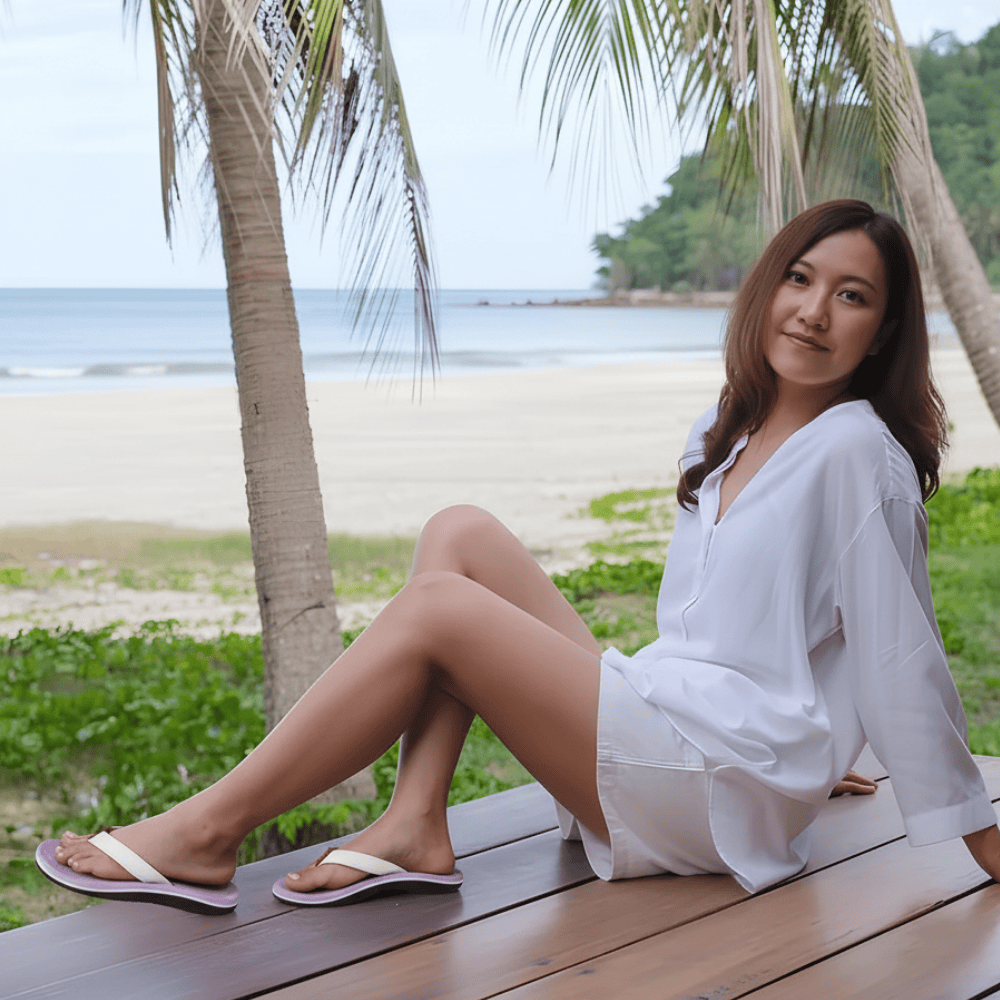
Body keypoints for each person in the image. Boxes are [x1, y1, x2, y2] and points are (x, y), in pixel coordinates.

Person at [40, 199, 1000, 912]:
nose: (815, 310)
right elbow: (798, 631)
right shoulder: (728, 427)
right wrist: (835, 744)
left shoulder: (859, 450)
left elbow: (894, 650)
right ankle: (417, 821)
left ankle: (207, 833)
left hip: (714, 786)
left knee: (440, 615)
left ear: (883, 333)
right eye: (801, 278)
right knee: (461, 534)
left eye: (853, 296)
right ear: (768, 286)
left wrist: (977, 833)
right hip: (685, 722)